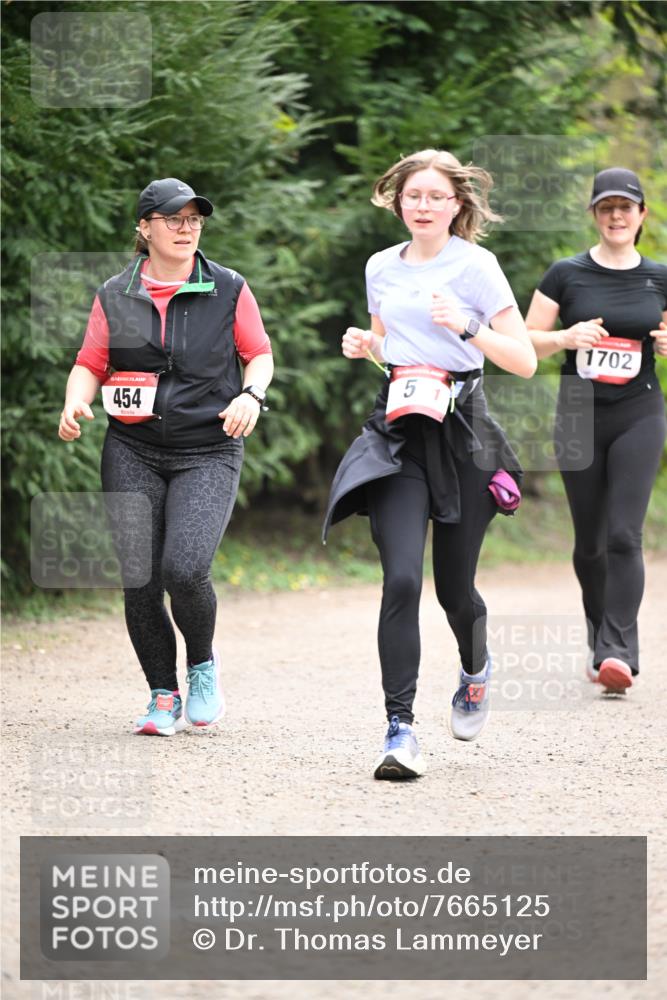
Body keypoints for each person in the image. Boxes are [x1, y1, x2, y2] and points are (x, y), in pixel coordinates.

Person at [323, 149, 537, 779]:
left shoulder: (478, 267)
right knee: (401, 582)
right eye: (412, 195)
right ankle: (400, 730)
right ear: (397, 200)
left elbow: (523, 360)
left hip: (464, 435)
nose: (422, 205)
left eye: (435, 197)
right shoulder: (380, 267)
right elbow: (394, 348)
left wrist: (468, 325)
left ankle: (475, 670)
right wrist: (368, 346)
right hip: (398, 432)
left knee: (453, 591)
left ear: (456, 205)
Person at [58, 177, 274, 735]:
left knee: (184, 567)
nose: (187, 227)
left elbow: (259, 355)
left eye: (195, 218)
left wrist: (251, 395)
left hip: (208, 448)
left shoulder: (227, 287)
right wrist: (75, 403)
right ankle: (162, 695)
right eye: (174, 218)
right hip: (132, 447)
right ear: (145, 227)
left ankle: (201, 664)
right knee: (140, 577)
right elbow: (91, 362)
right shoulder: (115, 292)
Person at [525, 167, 667, 695]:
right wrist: (565, 337)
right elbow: (523, 342)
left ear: (641, 215)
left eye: (625, 207)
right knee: (589, 546)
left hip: (640, 411)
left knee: (623, 535)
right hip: (578, 414)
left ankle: (619, 652)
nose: (616, 216)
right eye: (606, 207)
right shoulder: (566, 273)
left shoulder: (660, 276)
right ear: (594, 214)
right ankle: (598, 631)